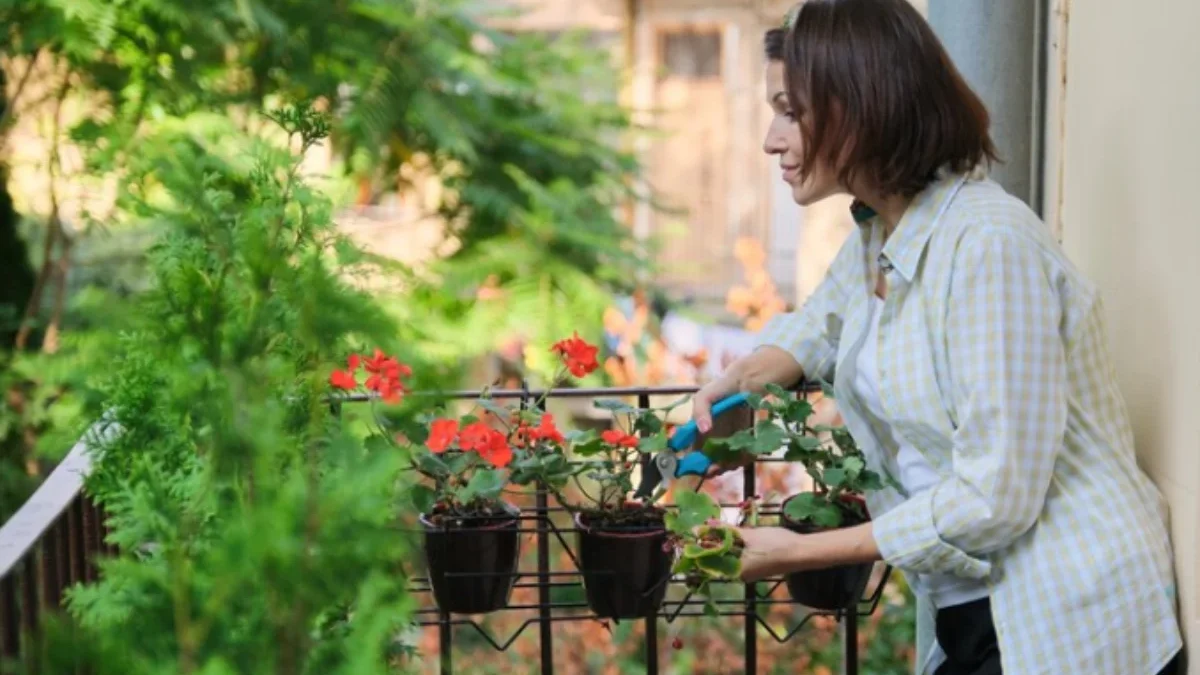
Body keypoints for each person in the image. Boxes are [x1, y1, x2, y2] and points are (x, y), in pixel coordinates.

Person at [693, 2, 1184, 674]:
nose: (770, 139)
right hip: (978, 610)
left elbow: (995, 497)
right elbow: (822, 324)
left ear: (859, 103)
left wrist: (795, 551)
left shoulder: (987, 248)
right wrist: (739, 383)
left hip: (1066, 616)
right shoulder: (881, 233)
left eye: (789, 109)